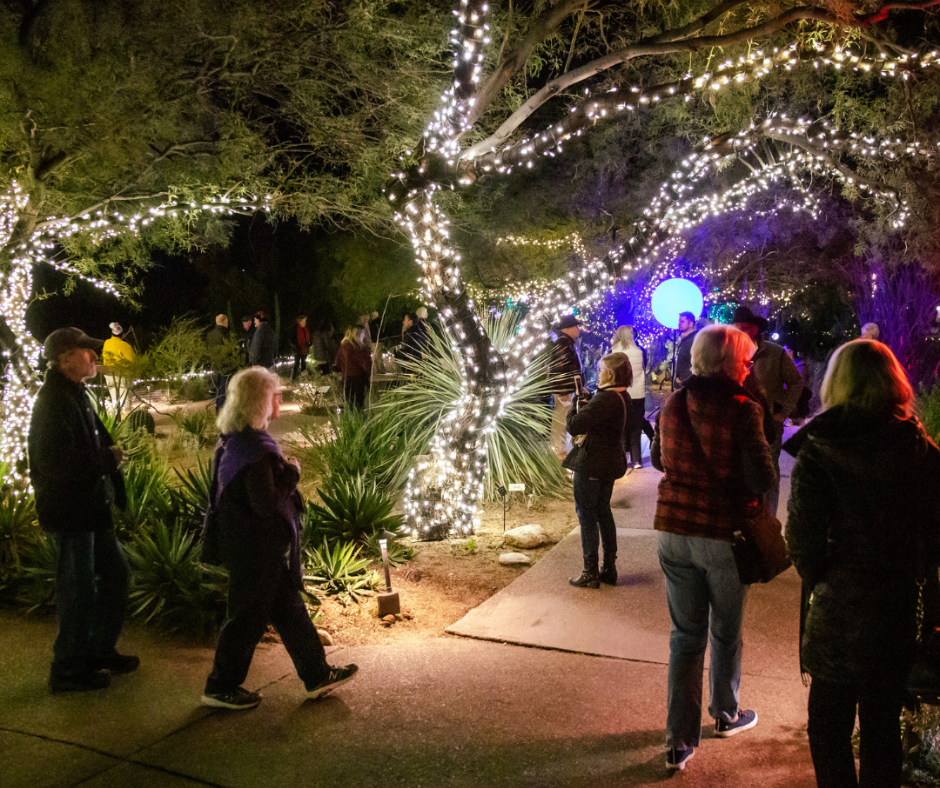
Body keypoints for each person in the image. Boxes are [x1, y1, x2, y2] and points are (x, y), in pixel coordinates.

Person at [784, 340, 940, 788]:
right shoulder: (921, 450)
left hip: (837, 609)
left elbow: (803, 542)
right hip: (896, 607)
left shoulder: (819, 450)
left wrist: (824, 579)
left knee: (828, 728)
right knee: (882, 727)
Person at [651, 324, 776, 771]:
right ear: (728, 363)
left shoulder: (672, 404)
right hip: (722, 536)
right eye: (745, 359)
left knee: (685, 637)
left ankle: (678, 742)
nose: (749, 366)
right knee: (725, 632)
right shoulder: (744, 409)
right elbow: (764, 477)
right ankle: (725, 714)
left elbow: (660, 461)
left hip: (672, 529)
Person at [202, 367, 358, 709]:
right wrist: (293, 474)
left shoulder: (236, 441)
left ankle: (317, 675)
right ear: (260, 400)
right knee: (245, 618)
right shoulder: (254, 450)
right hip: (255, 550)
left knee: (289, 610)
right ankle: (220, 687)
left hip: (253, 547)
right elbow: (265, 504)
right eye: (275, 394)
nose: (280, 400)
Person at [28, 328, 137, 693]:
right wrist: (107, 459)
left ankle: (97, 651)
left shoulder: (75, 394)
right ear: (65, 358)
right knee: (77, 590)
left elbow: (95, 442)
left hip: (91, 509)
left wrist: (110, 471)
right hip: (71, 513)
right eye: (86, 351)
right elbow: (56, 463)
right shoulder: (52, 402)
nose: (94, 356)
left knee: (116, 576)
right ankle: (68, 668)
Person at [566, 352, 632, 589]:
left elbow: (574, 426)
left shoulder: (605, 399)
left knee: (587, 514)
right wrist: (588, 403)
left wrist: (575, 406)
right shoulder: (622, 395)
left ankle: (590, 570)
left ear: (611, 373)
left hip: (593, 462)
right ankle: (609, 568)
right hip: (609, 462)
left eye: (600, 368)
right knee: (603, 511)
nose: (598, 371)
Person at [732, 305, 803, 517]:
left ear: (755, 329)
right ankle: (745, 520)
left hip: (768, 425)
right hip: (736, 423)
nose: (740, 332)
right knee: (739, 471)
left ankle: (768, 520)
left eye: (745, 327)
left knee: (768, 473)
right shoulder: (729, 351)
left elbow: (796, 383)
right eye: (737, 328)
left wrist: (781, 414)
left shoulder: (775, 353)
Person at [611, 325, 654, 469]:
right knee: (636, 427)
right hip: (638, 393)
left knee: (621, 427)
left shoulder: (613, 352)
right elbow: (644, 368)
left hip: (620, 393)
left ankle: (623, 460)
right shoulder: (640, 351)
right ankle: (637, 460)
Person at [549, 315, 585, 459]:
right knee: (561, 420)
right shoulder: (563, 344)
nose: (578, 329)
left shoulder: (566, 343)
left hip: (568, 388)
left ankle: (560, 449)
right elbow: (560, 370)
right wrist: (564, 390)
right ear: (568, 328)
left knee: (564, 419)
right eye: (576, 326)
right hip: (564, 390)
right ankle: (557, 450)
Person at [101, 322, 135, 416]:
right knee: (125, 399)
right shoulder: (124, 345)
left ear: (112, 333)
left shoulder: (106, 343)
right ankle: (125, 420)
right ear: (123, 334)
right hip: (122, 375)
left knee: (114, 398)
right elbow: (131, 361)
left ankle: (116, 419)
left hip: (109, 374)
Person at [334, 325, 372, 408]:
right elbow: (366, 366)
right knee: (359, 405)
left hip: (346, 379)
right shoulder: (361, 348)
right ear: (359, 334)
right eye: (363, 333)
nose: (364, 336)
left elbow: (338, 364)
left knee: (349, 405)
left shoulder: (343, 347)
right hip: (359, 380)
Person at [206, 314, 232, 413]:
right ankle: (222, 408)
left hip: (214, 365)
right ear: (224, 321)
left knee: (217, 388)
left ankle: (218, 408)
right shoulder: (225, 334)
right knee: (224, 388)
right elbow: (229, 350)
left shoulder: (209, 335)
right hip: (224, 365)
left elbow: (207, 350)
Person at [673, 311, 698, 389]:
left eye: (682, 321)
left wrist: (682, 379)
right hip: (683, 384)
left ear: (691, 324)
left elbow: (696, 363)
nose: (679, 324)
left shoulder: (694, 340)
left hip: (687, 386)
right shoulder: (685, 340)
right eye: (679, 321)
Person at [291, 315, 311, 379]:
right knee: (296, 364)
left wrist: (309, 343)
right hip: (297, 349)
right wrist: (296, 346)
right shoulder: (295, 329)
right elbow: (291, 340)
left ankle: (303, 379)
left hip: (304, 348)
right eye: (304, 321)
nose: (305, 322)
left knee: (304, 364)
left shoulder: (305, 328)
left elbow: (307, 338)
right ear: (300, 321)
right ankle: (293, 379)